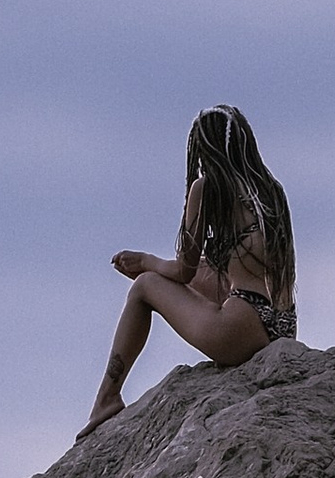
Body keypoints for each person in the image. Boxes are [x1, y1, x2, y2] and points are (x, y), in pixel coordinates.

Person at [80, 103, 298, 436]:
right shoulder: (271, 190)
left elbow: (183, 270)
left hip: (241, 330)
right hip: (282, 326)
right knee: (209, 269)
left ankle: (107, 397)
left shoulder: (208, 188)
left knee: (145, 286)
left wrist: (146, 263)